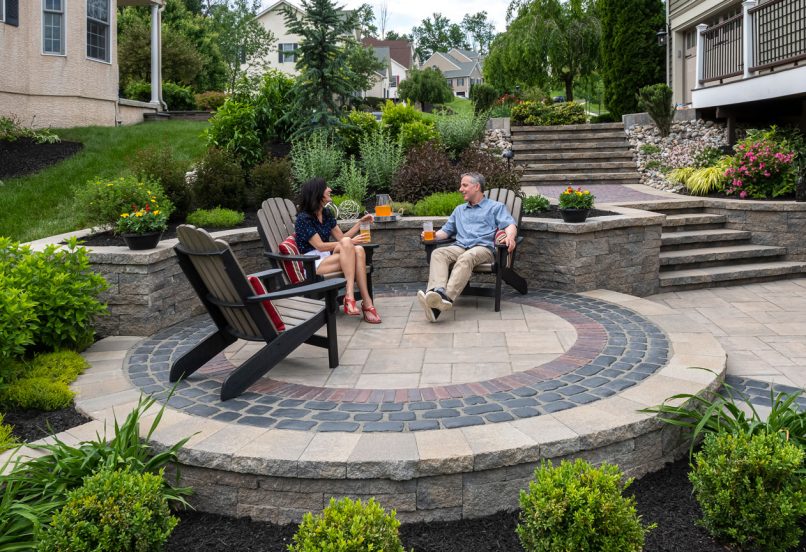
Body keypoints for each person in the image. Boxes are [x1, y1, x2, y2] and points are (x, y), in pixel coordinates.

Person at [417, 172, 517, 322]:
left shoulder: (495, 207)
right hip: (461, 246)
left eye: (464, 185)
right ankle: (436, 292)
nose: (460, 189)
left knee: (466, 257)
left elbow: (509, 224)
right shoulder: (459, 210)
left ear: (476, 187)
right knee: (438, 253)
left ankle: (446, 298)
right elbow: (446, 231)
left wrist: (510, 237)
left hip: (483, 248)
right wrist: (432, 235)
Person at [295, 178, 381, 324]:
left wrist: (360, 223)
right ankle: (363, 302)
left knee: (358, 249)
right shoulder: (303, 219)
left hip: (329, 258)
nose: (330, 189)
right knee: (355, 247)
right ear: (318, 193)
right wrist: (349, 242)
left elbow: (342, 238)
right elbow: (320, 246)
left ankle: (355, 299)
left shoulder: (326, 213)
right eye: (326, 187)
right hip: (312, 264)